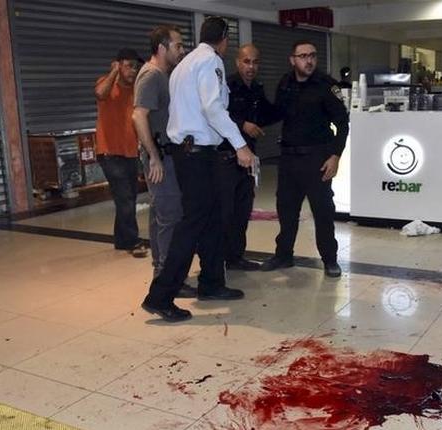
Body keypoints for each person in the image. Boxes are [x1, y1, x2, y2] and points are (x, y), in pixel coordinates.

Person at [141, 17, 255, 323]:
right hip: (195, 155)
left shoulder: (185, 64)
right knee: (192, 223)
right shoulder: (209, 61)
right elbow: (213, 107)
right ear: (224, 39)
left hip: (194, 152)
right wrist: (240, 145)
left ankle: (212, 283)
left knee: (214, 217)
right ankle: (160, 296)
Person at [259, 40, 349, 278]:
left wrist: (335, 156)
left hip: (317, 158)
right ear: (292, 59)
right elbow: (277, 112)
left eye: (312, 56)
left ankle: (330, 259)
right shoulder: (285, 83)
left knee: (323, 212)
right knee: (286, 210)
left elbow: (342, 123)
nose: (308, 61)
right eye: (303, 56)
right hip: (288, 159)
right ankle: (284, 255)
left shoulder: (326, 85)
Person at [131, 25, 196, 297]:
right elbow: (138, 116)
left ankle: (161, 274)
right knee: (170, 217)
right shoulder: (152, 75)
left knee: (162, 218)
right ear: (162, 48)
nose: (181, 50)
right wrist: (154, 158)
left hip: (165, 154)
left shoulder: (161, 75)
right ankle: (168, 281)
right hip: (161, 157)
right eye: (177, 46)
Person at [220, 44, 280, 271]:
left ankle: (236, 257)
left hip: (250, 158)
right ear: (237, 62)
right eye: (247, 61)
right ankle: (218, 260)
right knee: (224, 212)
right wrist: (242, 124)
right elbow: (216, 114)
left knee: (242, 211)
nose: (251, 66)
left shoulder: (256, 88)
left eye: (255, 62)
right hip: (226, 158)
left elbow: (266, 113)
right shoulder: (226, 86)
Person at [94, 48, 148, 258]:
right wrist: (114, 73)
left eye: (136, 67)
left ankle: (121, 239)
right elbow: (100, 94)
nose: (133, 71)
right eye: (129, 66)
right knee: (125, 197)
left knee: (128, 197)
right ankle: (132, 241)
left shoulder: (136, 90)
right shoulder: (106, 84)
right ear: (117, 64)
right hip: (109, 151)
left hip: (130, 153)